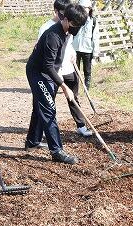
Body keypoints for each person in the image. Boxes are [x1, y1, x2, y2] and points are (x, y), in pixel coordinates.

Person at [24, 4, 89, 164]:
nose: (77, 29)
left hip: (50, 72)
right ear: (65, 19)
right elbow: (47, 66)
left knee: (42, 106)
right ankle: (57, 150)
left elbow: (57, 60)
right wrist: (64, 86)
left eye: (80, 26)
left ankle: (32, 142)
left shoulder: (67, 32)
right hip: (39, 73)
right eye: (75, 25)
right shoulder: (53, 35)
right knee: (49, 109)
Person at [38, 0, 92, 138]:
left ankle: (81, 125)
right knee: (49, 101)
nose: (63, 16)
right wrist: (62, 85)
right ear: (57, 12)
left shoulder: (70, 27)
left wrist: (72, 53)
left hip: (68, 67)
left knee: (73, 97)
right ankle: (46, 130)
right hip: (53, 71)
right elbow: (45, 56)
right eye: (61, 13)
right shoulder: (48, 29)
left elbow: (68, 45)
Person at [72, 0, 99, 89]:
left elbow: (95, 37)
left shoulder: (93, 21)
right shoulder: (74, 19)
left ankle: (86, 86)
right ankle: (75, 85)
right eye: (81, 8)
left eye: (85, 8)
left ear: (89, 9)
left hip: (87, 49)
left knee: (87, 70)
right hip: (75, 48)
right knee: (75, 69)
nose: (83, 10)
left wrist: (95, 53)